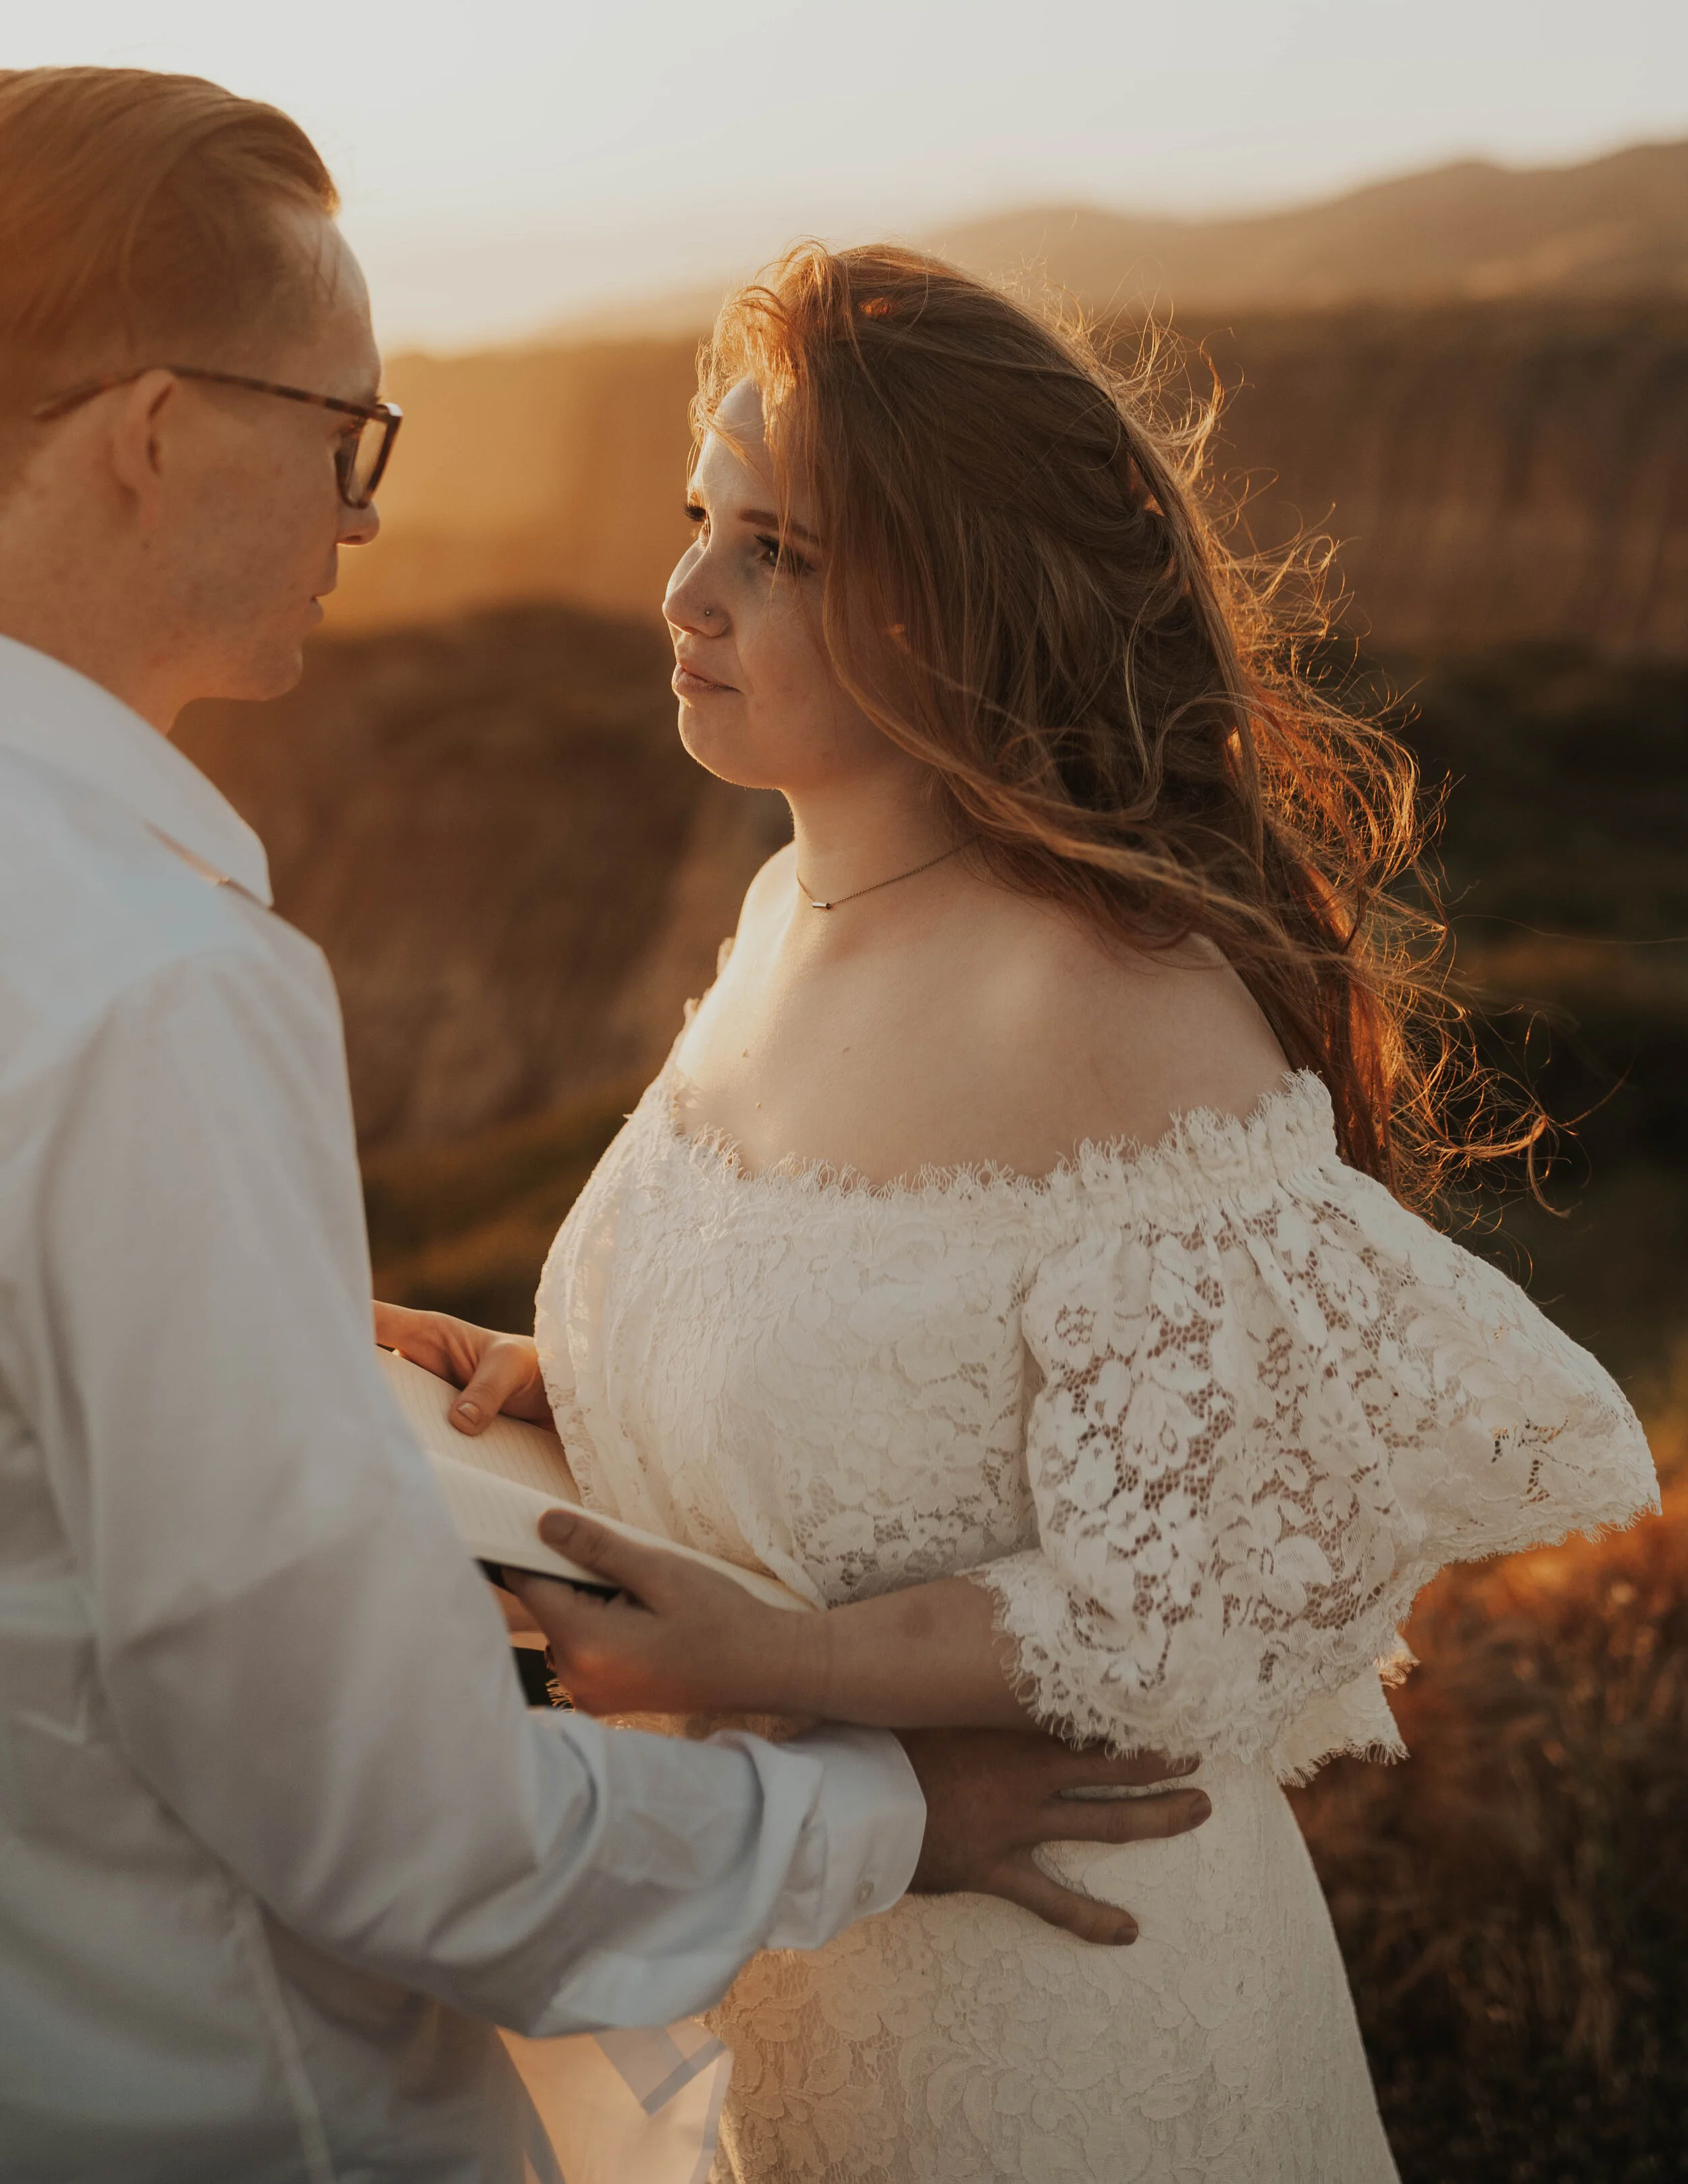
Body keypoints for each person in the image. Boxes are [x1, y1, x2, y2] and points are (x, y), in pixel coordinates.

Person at [0, 75, 1212, 2184]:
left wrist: (552, 1420)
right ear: (159, 433)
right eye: (343, 434)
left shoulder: (1077, 998)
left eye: (775, 546)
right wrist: (885, 1807)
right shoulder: (142, 982)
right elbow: (398, 1826)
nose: (364, 516)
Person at [396, 245, 1660, 2181]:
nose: (685, 595)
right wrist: (565, 1384)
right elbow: (875, 1362)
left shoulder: (1115, 1008)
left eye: (779, 554)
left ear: (963, 603)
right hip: (789, 1934)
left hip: (1040, 2001)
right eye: (696, 524)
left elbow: (1206, 1587)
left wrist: (774, 1670)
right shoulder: (776, 921)